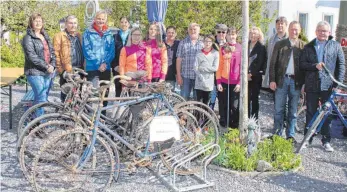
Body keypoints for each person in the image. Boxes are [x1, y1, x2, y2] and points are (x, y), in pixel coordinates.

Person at [300, 21, 345, 152]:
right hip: (312, 85)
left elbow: (341, 66)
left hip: (328, 86)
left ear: (329, 33)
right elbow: (302, 64)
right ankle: (307, 139)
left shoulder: (335, 46)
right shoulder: (309, 46)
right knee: (310, 112)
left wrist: (337, 84)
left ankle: (326, 140)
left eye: (325, 31)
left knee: (327, 113)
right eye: (320, 30)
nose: (322, 33)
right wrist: (314, 66)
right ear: (316, 32)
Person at [269, 21, 305, 142]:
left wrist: (304, 84)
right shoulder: (280, 44)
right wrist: (272, 80)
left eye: (296, 29)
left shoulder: (303, 46)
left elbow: (305, 67)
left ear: (299, 31)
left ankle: (290, 135)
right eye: (292, 29)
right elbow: (273, 63)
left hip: (296, 82)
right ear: (288, 29)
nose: (294, 32)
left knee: (293, 110)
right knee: (279, 108)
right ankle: (277, 133)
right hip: (281, 80)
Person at [22, 13, 56, 116]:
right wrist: (46, 66)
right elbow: (31, 56)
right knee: (41, 98)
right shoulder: (27, 38)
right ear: (31, 23)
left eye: (40, 21)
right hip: (34, 72)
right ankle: (41, 125)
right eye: (35, 21)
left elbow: (52, 52)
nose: (38, 23)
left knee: (42, 97)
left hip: (47, 71)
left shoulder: (45, 36)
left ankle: (32, 121)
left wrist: (52, 65)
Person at [82, 10, 115, 113]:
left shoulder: (109, 33)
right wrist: (98, 64)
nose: (101, 21)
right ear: (95, 19)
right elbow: (87, 50)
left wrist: (105, 63)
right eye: (99, 18)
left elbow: (112, 50)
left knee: (104, 93)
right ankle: (89, 117)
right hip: (92, 67)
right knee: (91, 93)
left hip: (106, 67)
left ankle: (102, 116)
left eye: (103, 19)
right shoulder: (87, 32)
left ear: (105, 20)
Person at [53, 15, 84, 102]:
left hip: (79, 70)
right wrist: (62, 72)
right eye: (70, 23)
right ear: (66, 24)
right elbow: (56, 55)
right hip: (67, 71)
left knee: (78, 95)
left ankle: (75, 114)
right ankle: (65, 115)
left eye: (75, 23)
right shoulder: (59, 36)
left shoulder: (79, 35)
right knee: (67, 97)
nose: (73, 25)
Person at [216, 27, 242, 128]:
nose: (231, 36)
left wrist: (240, 83)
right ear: (226, 36)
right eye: (230, 34)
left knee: (234, 106)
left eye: (233, 34)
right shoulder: (223, 48)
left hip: (235, 82)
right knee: (223, 104)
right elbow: (219, 65)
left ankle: (234, 126)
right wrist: (218, 82)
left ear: (236, 35)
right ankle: (223, 125)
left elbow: (242, 67)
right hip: (224, 81)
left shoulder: (240, 48)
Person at [176, 23, 204, 100]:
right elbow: (179, 59)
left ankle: (196, 113)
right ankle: (184, 112)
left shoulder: (203, 44)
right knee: (183, 99)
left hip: (198, 77)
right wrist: (178, 75)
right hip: (185, 77)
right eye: (190, 29)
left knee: (197, 100)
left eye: (195, 29)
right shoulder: (182, 43)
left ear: (199, 31)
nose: (192, 31)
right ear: (188, 31)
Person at [263, 16, 288, 89]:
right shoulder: (272, 40)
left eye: (282, 23)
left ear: (286, 25)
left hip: (284, 74)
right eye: (278, 24)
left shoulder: (289, 39)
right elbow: (269, 57)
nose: (279, 25)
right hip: (273, 73)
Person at [194, 35, 219, 105]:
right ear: (203, 42)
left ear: (212, 43)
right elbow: (195, 67)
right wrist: (200, 76)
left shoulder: (215, 53)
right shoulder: (198, 52)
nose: (207, 43)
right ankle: (197, 116)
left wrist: (203, 68)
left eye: (209, 42)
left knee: (206, 103)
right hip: (199, 82)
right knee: (198, 103)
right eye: (206, 41)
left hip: (209, 82)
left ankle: (205, 116)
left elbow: (215, 68)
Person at [248, 26, 267, 120]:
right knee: (246, 99)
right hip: (245, 77)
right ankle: (246, 118)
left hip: (256, 77)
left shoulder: (261, 47)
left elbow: (260, 62)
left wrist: (251, 73)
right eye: (251, 33)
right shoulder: (246, 44)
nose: (253, 35)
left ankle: (254, 120)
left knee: (254, 99)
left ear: (259, 35)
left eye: (255, 33)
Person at [210, 23, 228, 110]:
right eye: (219, 32)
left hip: (224, 77)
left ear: (226, 33)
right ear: (216, 32)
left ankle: (222, 121)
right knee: (211, 100)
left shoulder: (229, 45)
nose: (221, 34)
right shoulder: (211, 44)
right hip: (212, 77)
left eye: (223, 32)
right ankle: (206, 120)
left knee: (223, 101)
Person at [112, 16, 130, 97]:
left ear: (129, 24)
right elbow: (111, 52)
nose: (124, 24)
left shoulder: (132, 36)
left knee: (130, 89)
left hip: (130, 67)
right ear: (119, 24)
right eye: (122, 22)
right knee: (118, 88)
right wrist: (114, 65)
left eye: (126, 22)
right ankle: (117, 106)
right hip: (118, 66)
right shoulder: (114, 36)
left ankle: (130, 108)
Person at [165, 26, 180, 90]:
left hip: (174, 75)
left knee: (171, 95)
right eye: (169, 32)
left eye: (172, 33)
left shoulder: (179, 44)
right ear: (166, 33)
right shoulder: (162, 44)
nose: (171, 34)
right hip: (162, 74)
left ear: (175, 34)